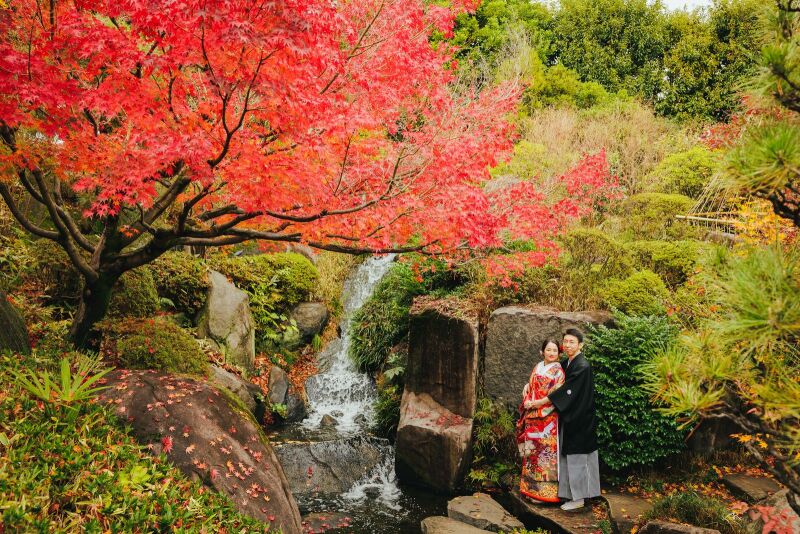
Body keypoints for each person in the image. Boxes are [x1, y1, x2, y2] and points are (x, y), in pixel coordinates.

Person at [529, 328, 599, 511]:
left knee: (577, 458)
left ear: (580, 345)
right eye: (565, 341)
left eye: (572, 342)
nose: (567, 345)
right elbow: (550, 381)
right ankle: (567, 495)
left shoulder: (582, 366)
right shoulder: (567, 363)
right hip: (569, 416)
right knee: (566, 458)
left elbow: (566, 390)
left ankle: (579, 498)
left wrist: (541, 402)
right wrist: (528, 386)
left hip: (580, 418)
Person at [517, 339, 566, 503]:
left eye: (555, 350)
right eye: (548, 350)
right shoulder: (538, 366)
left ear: (559, 353)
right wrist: (527, 388)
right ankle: (529, 488)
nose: (551, 353)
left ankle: (545, 494)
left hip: (547, 418)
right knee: (531, 452)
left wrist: (536, 404)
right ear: (542, 351)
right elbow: (533, 386)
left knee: (545, 455)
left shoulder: (559, 372)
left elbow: (555, 395)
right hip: (532, 415)